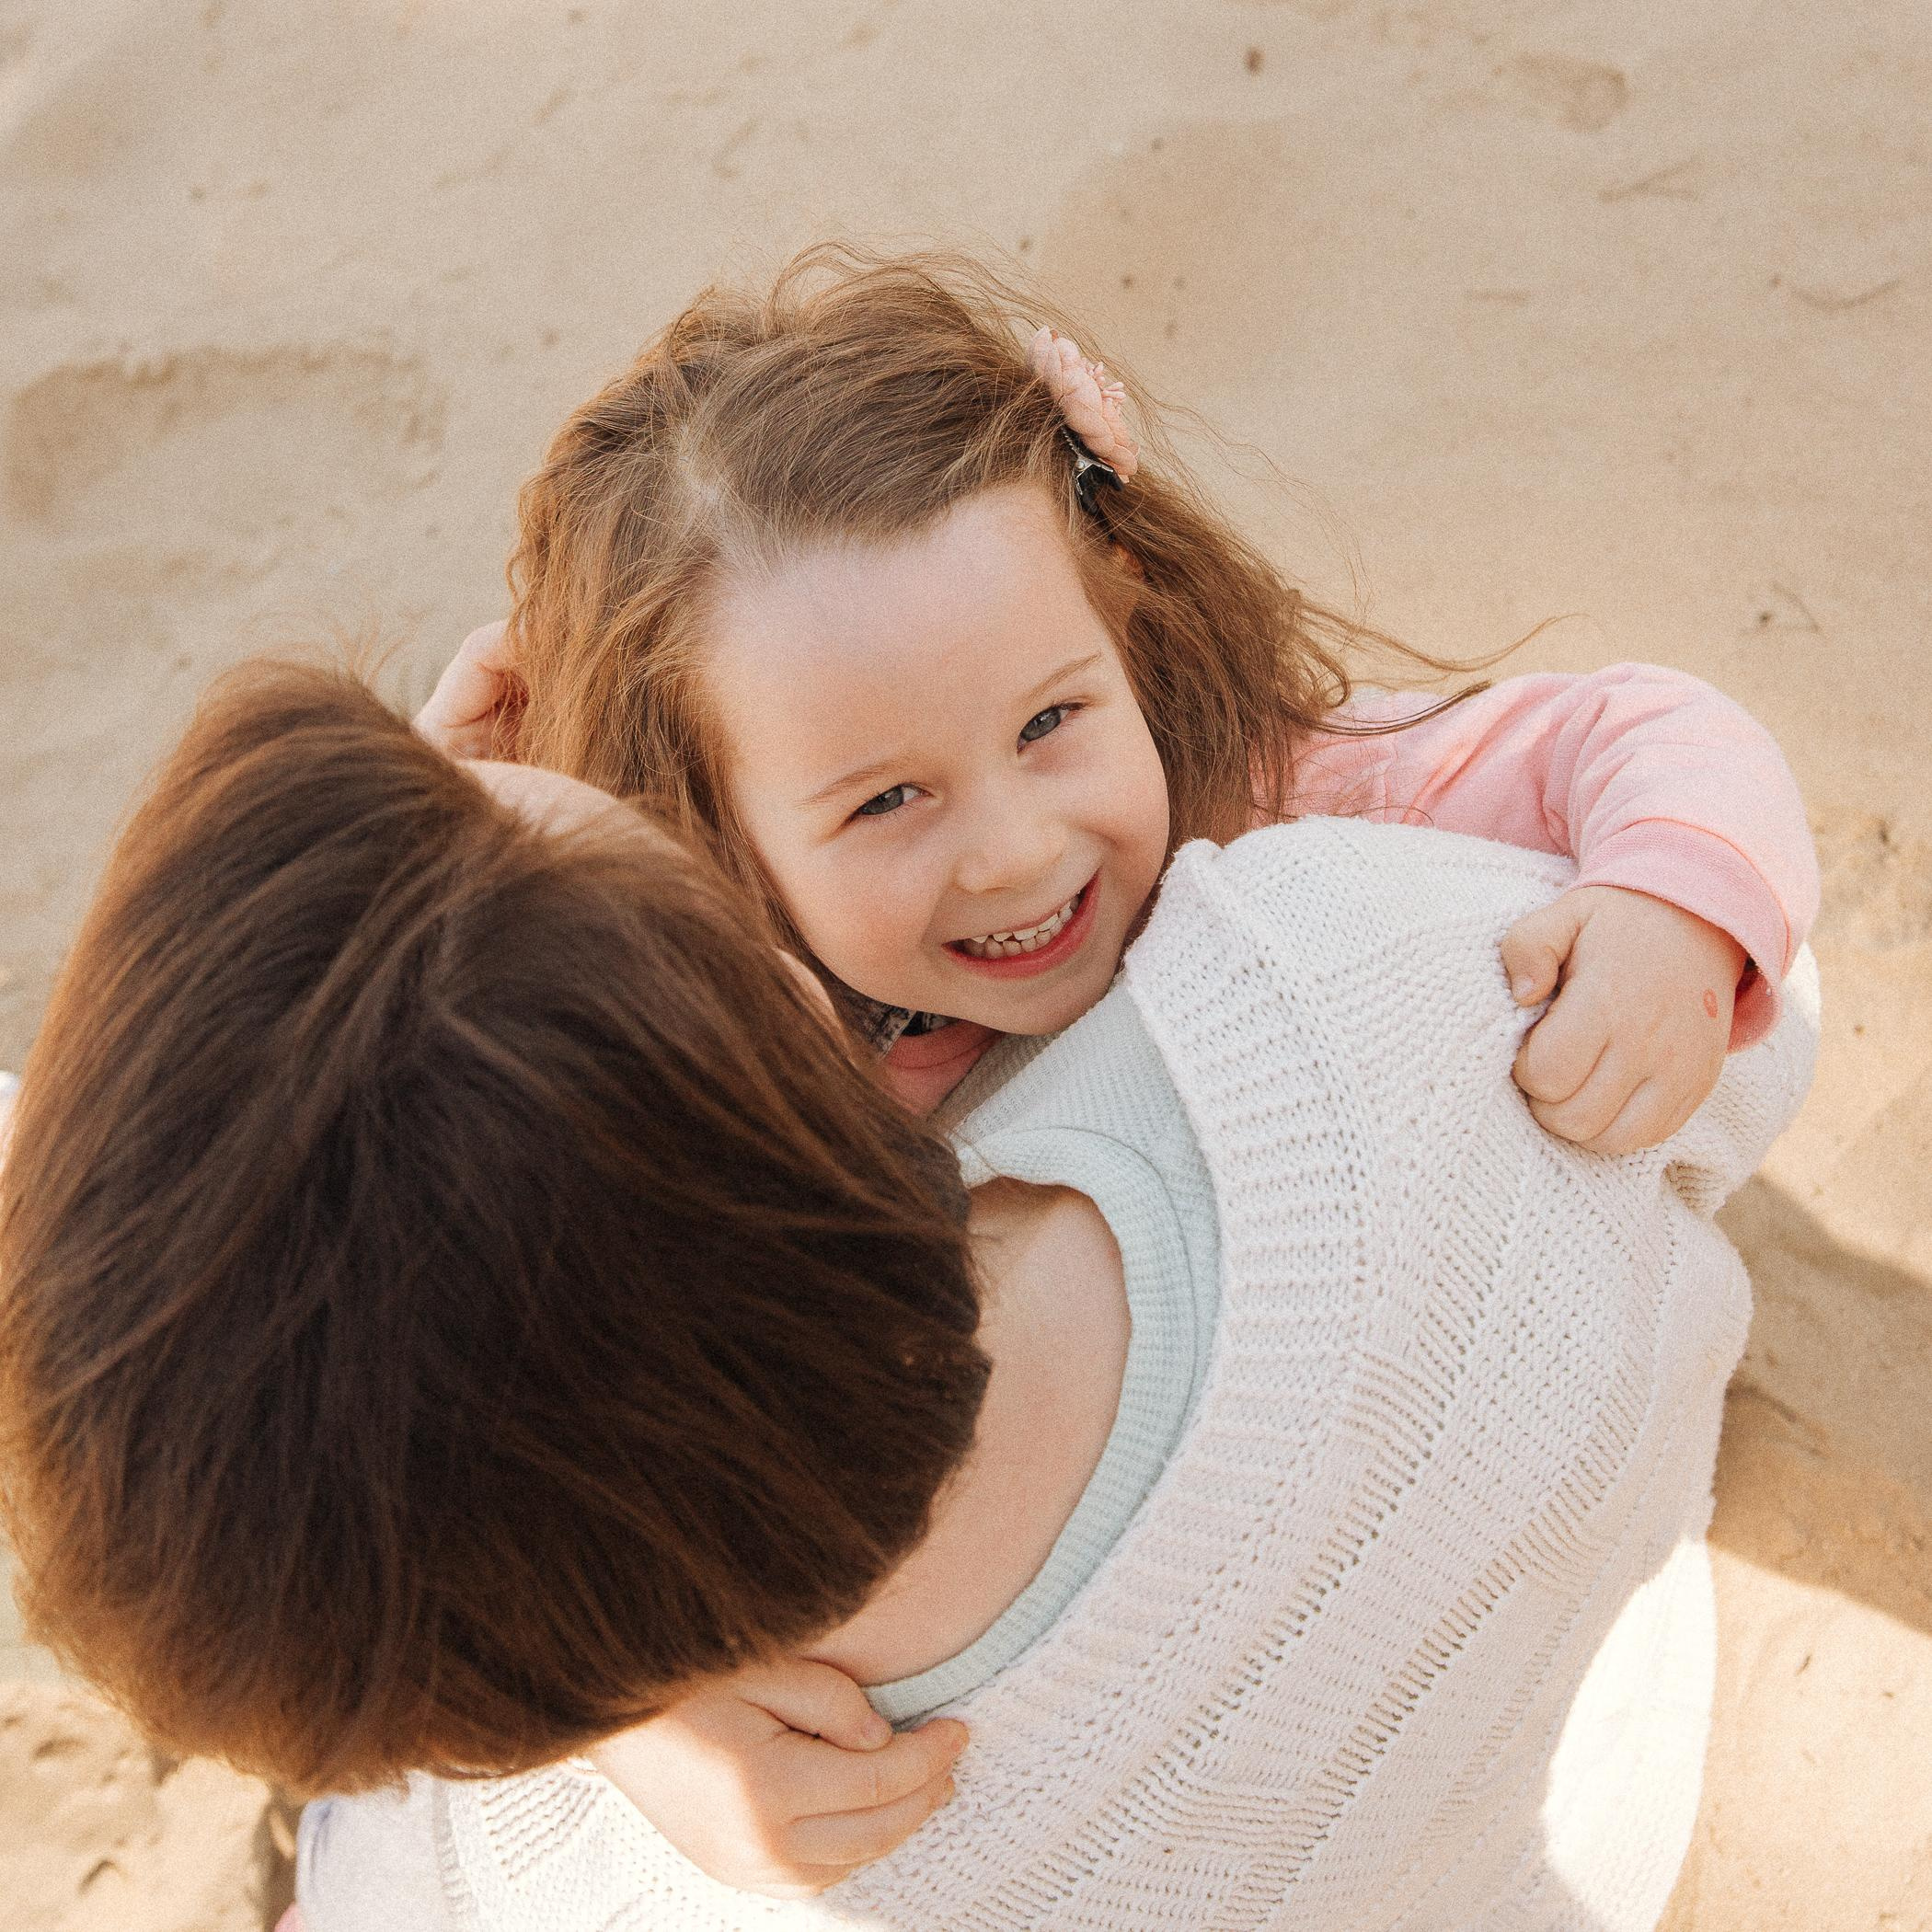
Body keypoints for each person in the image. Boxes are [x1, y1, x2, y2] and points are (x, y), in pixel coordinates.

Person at [387, 243, 1820, 1891]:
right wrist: (654, 1726)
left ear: (1120, 631)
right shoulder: (749, 1051)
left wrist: (1669, 900)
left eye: (1053, 721)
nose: (1014, 851)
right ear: (716, 833)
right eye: (883, 804)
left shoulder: (1277, 791)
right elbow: (518, 1394)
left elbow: (1629, 735)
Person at [0, 662, 1815, 1932]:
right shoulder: (1335, 992)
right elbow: (1736, 1051)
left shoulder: (580, 1865)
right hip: (1585, 1769)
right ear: (807, 1034)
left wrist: (623, 1703)